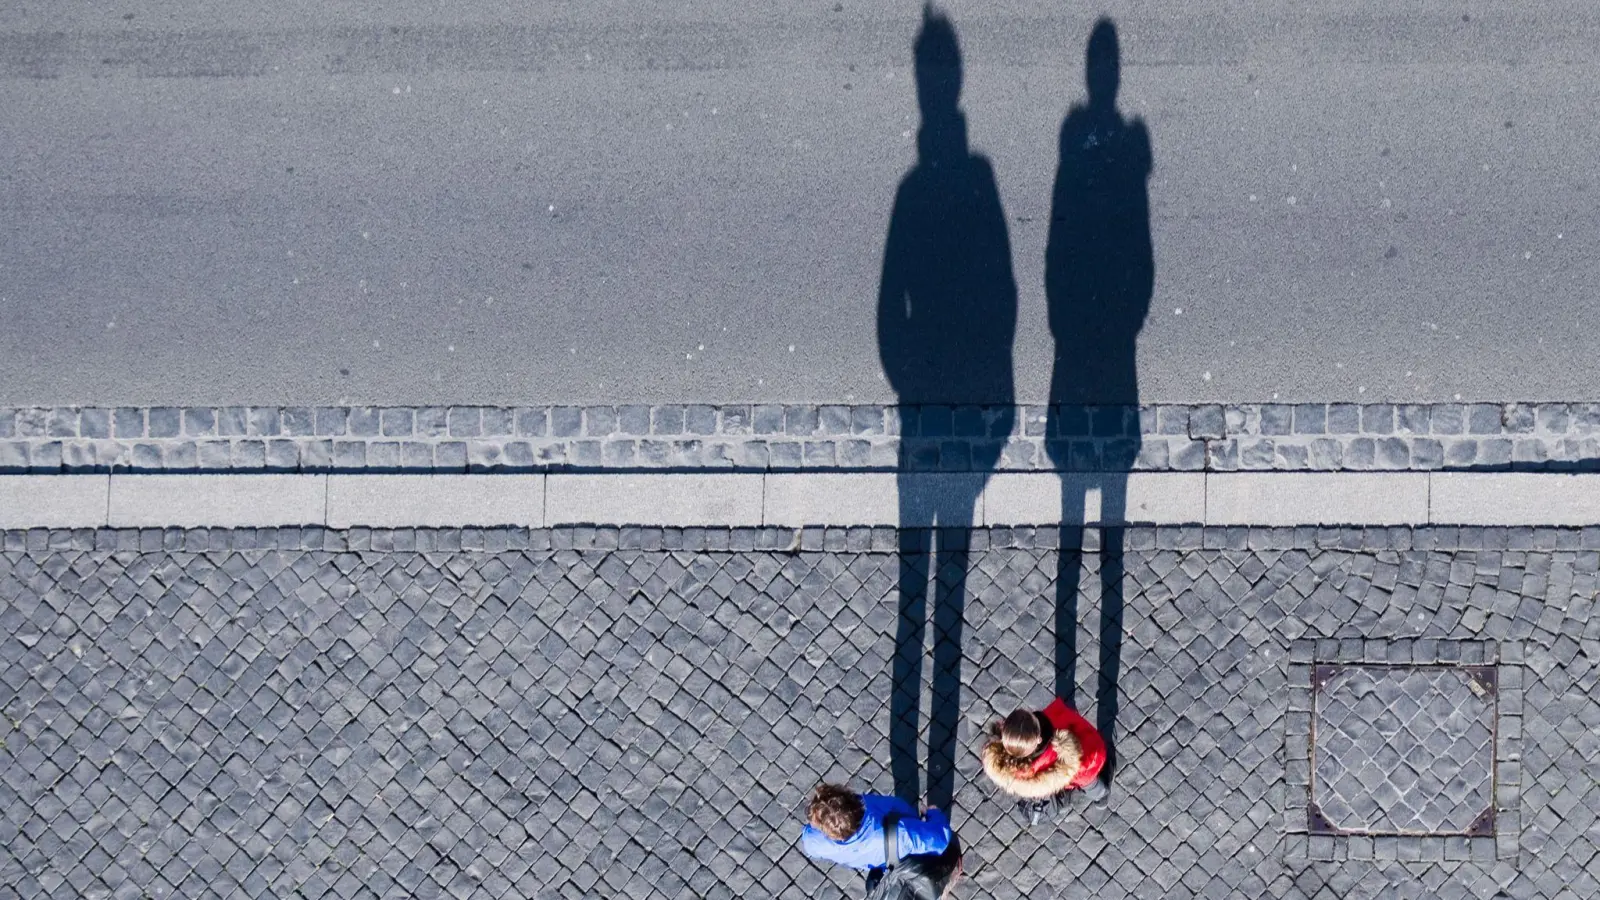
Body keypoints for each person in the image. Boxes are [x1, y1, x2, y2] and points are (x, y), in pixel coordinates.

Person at [979, 698, 1108, 825]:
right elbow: (1087, 764)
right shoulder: (1059, 735)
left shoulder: (1009, 768)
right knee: (1091, 783)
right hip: (1080, 768)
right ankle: (1100, 796)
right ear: (1039, 740)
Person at [800, 783, 953, 874]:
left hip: (878, 860)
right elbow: (940, 839)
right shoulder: (902, 833)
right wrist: (934, 814)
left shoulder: (812, 841)